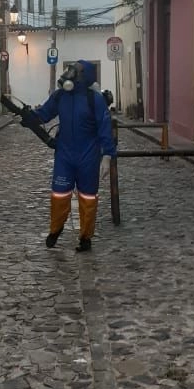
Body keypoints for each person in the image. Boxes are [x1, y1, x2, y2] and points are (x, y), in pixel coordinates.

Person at [22, 59, 117, 252]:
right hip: (65, 154)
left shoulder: (95, 100)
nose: (69, 74)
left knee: (88, 198)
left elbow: (104, 128)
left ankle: (85, 237)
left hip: (88, 155)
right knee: (59, 194)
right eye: (70, 70)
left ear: (84, 77)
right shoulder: (60, 96)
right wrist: (30, 117)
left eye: (74, 71)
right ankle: (55, 230)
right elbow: (45, 113)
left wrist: (107, 155)